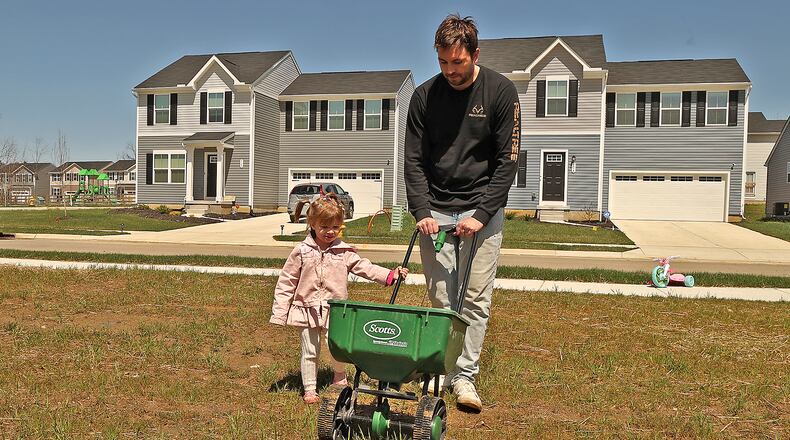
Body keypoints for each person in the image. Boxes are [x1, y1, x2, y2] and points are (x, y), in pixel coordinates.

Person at [404, 13, 520, 412]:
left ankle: (464, 378)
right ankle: (440, 368)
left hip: (480, 212)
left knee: (474, 299)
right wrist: (421, 210)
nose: (451, 71)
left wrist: (482, 214)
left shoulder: (501, 93)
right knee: (440, 297)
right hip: (435, 210)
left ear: (475, 54)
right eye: (443, 62)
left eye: (458, 62)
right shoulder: (423, 97)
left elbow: (508, 161)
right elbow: (413, 161)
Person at [269, 193, 409, 404]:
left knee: (337, 346)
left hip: (336, 309)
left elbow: (365, 267)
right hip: (307, 308)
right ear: (312, 224)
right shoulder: (301, 251)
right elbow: (287, 281)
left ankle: (339, 376)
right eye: (324, 227)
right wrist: (280, 312)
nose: (330, 232)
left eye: (335, 227)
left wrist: (390, 275)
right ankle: (309, 388)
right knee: (309, 350)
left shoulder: (344, 252)